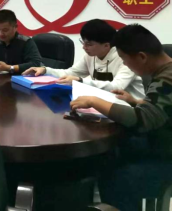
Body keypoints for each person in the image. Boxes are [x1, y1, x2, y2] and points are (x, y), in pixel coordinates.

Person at [70, 24, 172, 210]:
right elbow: (162, 109)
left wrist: (95, 101)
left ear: (142, 57)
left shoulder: (167, 78)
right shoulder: (164, 71)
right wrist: (136, 101)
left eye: (124, 59)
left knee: (116, 177)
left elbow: (143, 120)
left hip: (165, 154)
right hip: (161, 141)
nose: (124, 64)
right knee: (106, 153)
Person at [23, 19, 145, 99]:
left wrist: (80, 81)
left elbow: (117, 87)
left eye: (89, 44)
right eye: (83, 42)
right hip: (104, 101)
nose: (84, 47)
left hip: (132, 107)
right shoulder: (90, 56)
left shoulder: (126, 58)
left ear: (106, 45)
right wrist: (45, 70)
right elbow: (70, 73)